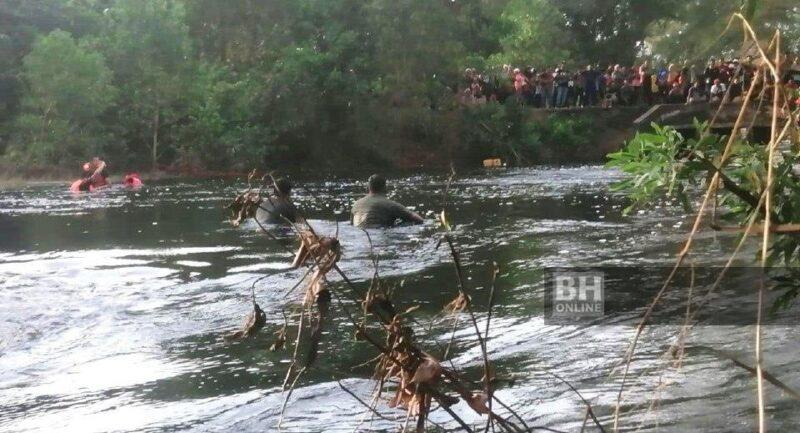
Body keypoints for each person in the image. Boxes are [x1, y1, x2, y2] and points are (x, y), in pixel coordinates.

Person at [351, 174, 424, 228]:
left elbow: (351, 225)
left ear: (369, 187)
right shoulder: (389, 205)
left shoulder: (356, 204)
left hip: (359, 233)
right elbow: (419, 220)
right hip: (378, 232)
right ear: (384, 188)